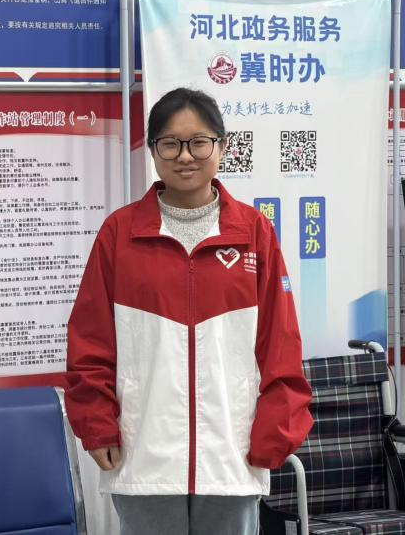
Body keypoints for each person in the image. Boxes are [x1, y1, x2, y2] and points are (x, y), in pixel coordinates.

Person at [65, 87, 313, 535]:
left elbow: (280, 343)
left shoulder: (254, 232)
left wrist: (275, 433)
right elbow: (90, 341)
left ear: (222, 146)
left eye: (199, 142)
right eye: (170, 143)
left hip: (232, 454)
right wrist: (97, 426)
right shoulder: (119, 234)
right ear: (153, 150)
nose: (185, 156)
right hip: (143, 455)